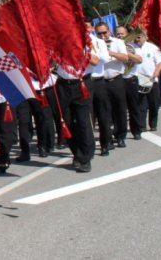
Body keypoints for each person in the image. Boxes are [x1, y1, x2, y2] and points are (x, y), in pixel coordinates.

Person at [54, 22, 103, 173]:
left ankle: (85, 158)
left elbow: (95, 61)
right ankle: (77, 152)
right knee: (65, 122)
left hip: (81, 83)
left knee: (83, 122)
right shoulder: (57, 41)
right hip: (63, 84)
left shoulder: (88, 40)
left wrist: (76, 50)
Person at [96, 22, 130, 149]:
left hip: (116, 79)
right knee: (104, 111)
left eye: (104, 32)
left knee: (120, 109)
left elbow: (125, 57)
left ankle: (120, 136)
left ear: (109, 31)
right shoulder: (95, 44)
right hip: (101, 81)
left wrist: (109, 52)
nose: (102, 35)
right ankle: (107, 138)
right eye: (99, 33)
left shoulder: (117, 42)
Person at [133, 31, 161, 132]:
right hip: (138, 79)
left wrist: (157, 71)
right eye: (136, 37)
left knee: (154, 103)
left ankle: (153, 124)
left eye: (139, 37)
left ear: (145, 37)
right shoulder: (131, 47)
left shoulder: (152, 48)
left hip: (151, 79)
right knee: (141, 104)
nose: (137, 39)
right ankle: (142, 125)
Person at [88, 22, 113, 156]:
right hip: (85, 82)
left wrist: (90, 51)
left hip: (98, 81)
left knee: (102, 114)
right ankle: (89, 145)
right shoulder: (77, 42)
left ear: (91, 28)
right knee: (88, 116)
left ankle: (105, 143)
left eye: (87, 27)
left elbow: (104, 59)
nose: (85, 29)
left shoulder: (98, 42)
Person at [115, 26, 144, 140]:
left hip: (130, 79)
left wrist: (126, 53)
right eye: (118, 34)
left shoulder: (133, 46)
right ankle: (120, 135)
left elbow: (139, 60)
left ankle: (136, 131)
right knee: (119, 109)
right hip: (118, 79)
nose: (120, 36)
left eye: (122, 34)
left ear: (127, 34)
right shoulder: (114, 46)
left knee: (134, 107)